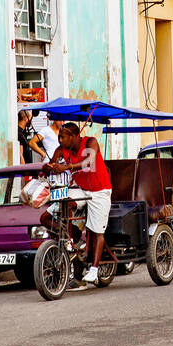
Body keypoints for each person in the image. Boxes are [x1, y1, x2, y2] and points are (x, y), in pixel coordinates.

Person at [44, 122, 114, 286]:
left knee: (97, 231)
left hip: (100, 190)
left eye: (63, 137)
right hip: (81, 189)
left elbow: (89, 162)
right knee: (63, 204)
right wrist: (49, 167)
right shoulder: (62, 149)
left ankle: (94, 271)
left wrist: (67, 166)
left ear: (74, 136)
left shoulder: (90, 143)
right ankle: (69, 240)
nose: (59, 140)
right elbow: (49, 165)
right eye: (59, 137)